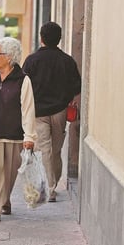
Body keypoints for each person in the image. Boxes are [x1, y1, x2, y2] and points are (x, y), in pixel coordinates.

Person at [0, 37, 37, 223]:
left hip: (14, 135)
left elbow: (28, 109)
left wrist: (30, 136)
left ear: (9, 57)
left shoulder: (23, 80)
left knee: (9, 174)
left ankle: (5, 200)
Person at [22, 21, 81, 202]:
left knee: (44, 150)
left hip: (38, 112)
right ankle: (51, 185)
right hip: (60, 111)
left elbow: (24, 86)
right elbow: (77, 86)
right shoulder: (67, 61)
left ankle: (50, 187)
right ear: (60, 39)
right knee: (55, 150)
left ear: (41, 38)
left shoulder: (31, 61)